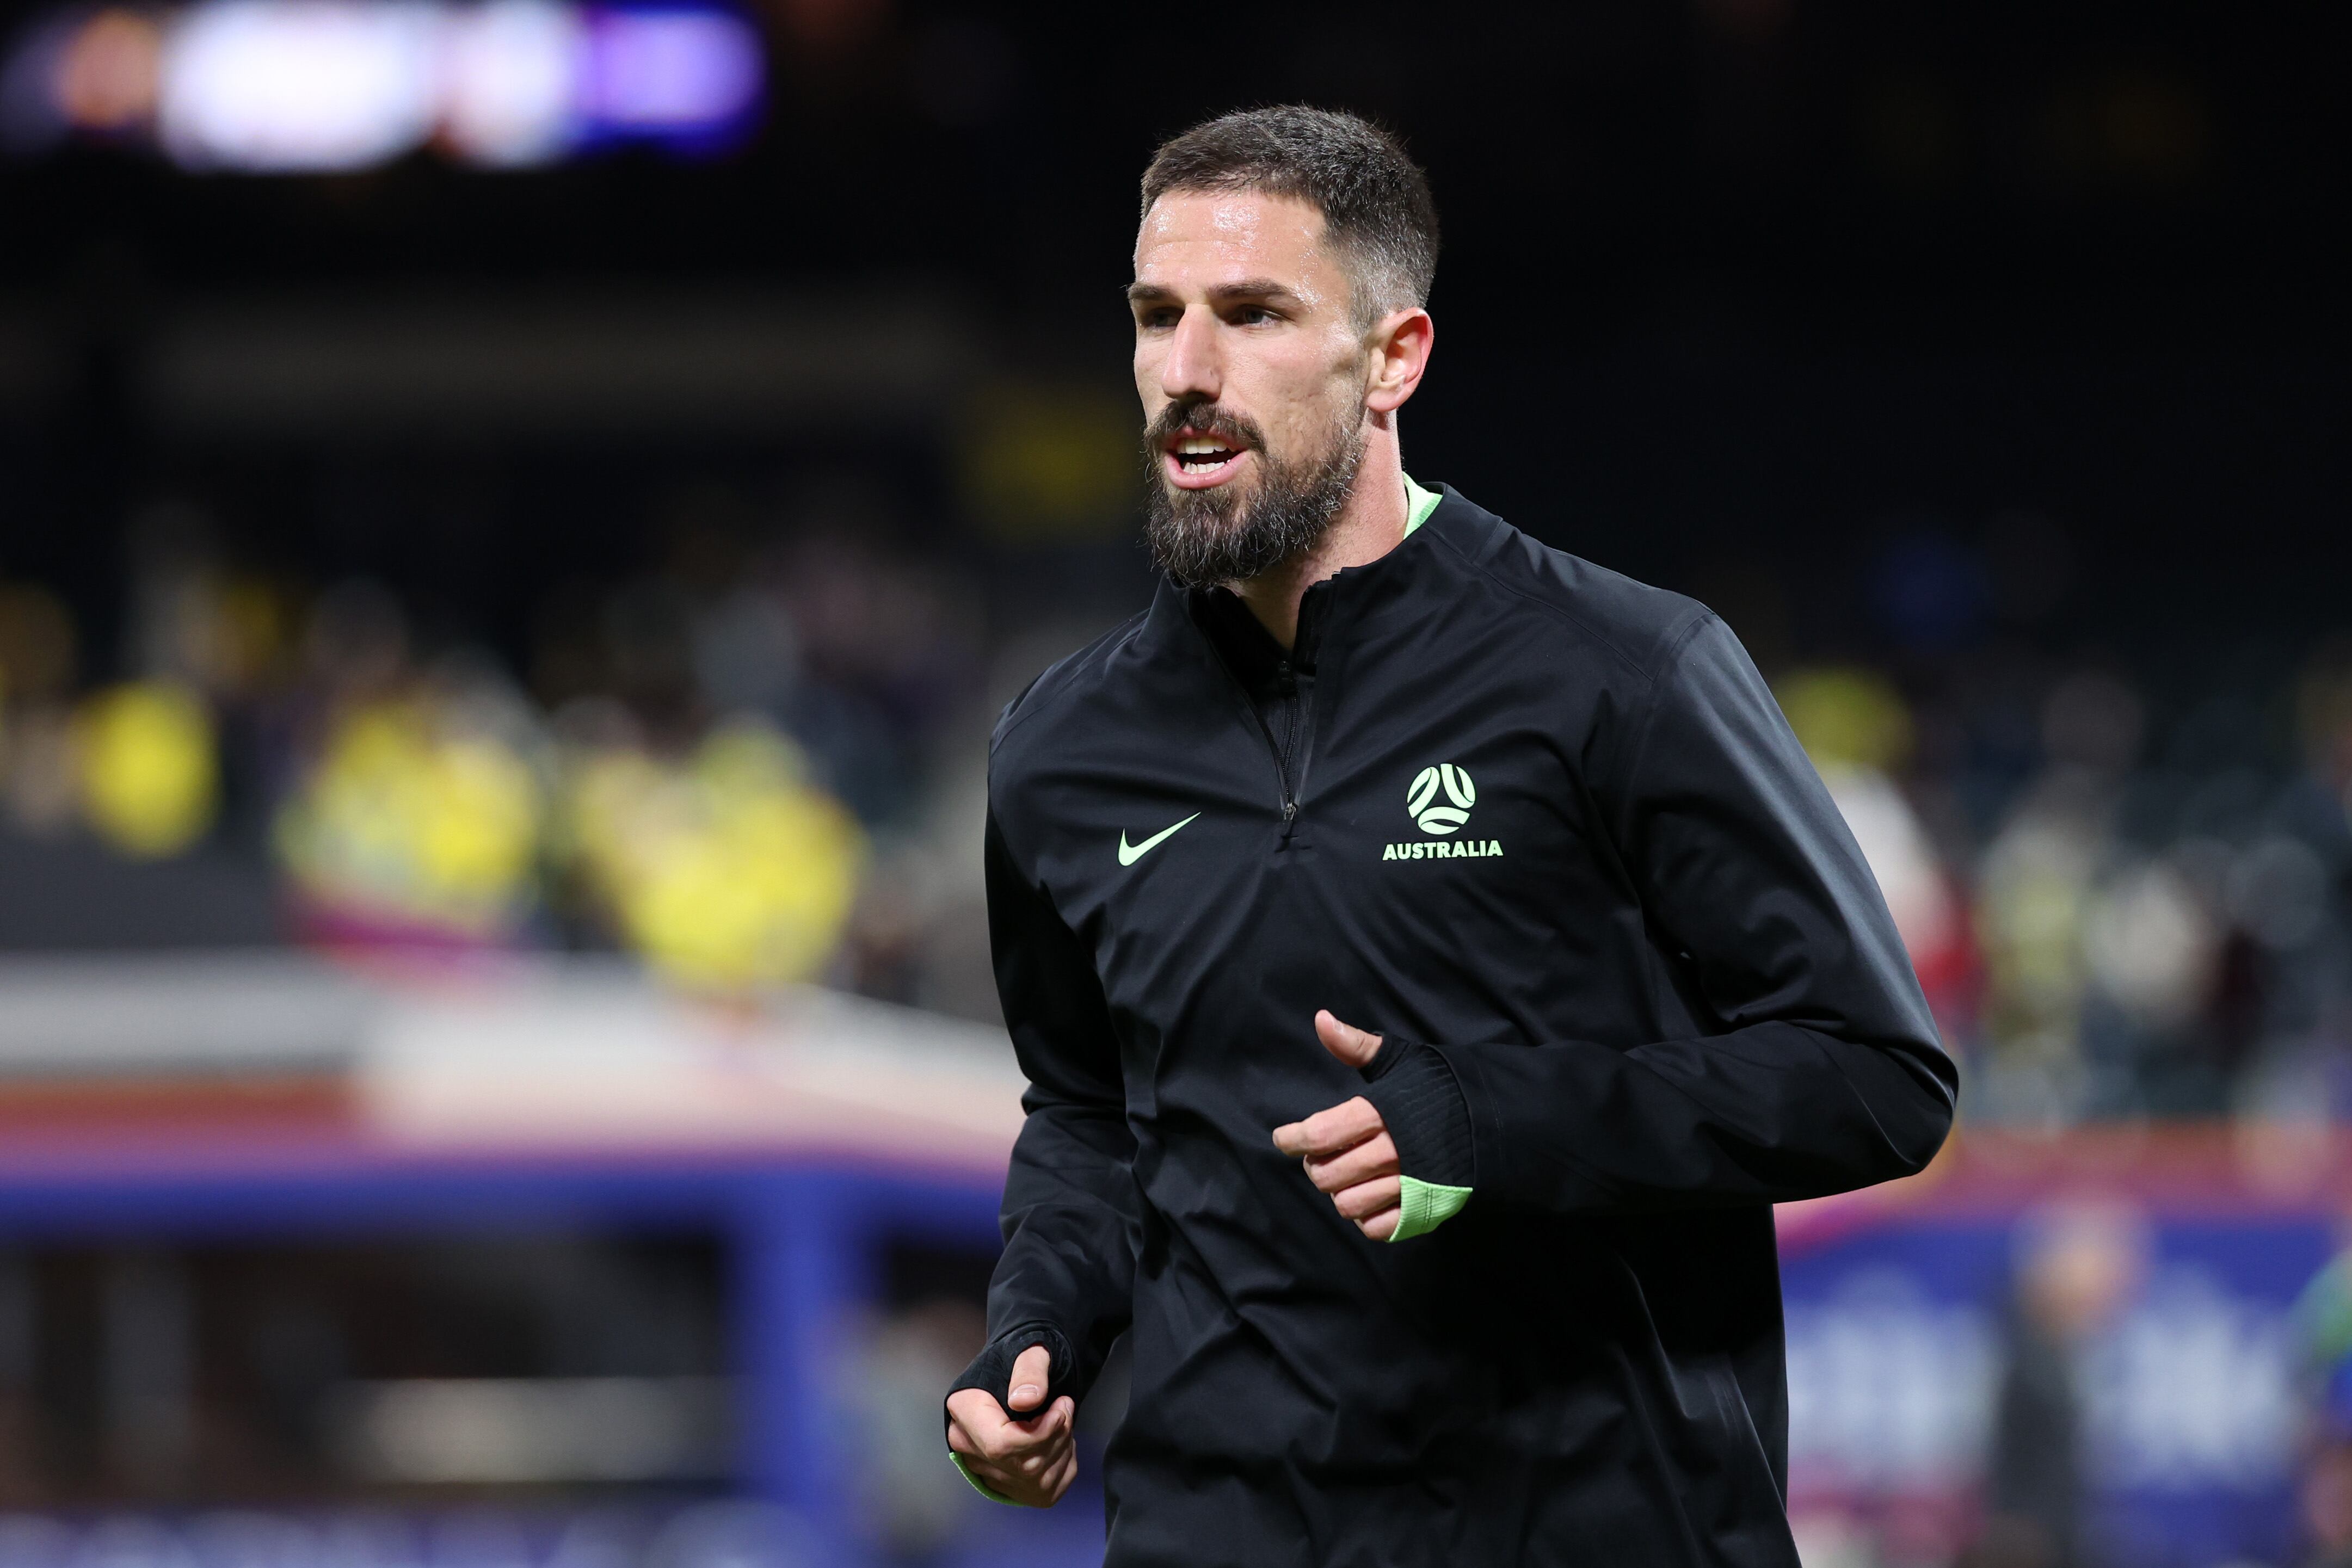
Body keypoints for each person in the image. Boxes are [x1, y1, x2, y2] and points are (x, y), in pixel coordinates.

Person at [942, 105, 1957, 1566]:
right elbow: (1088, 1114)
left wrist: (1496, 1119)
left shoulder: (1620, 669)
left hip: (1591, 1525)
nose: (1186, 371)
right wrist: (1036, 1329)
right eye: (1156, 316)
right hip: (1212, 1529)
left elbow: (1875, 1077)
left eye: (1252, 314)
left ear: (1392, 358)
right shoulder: (1059, 744)